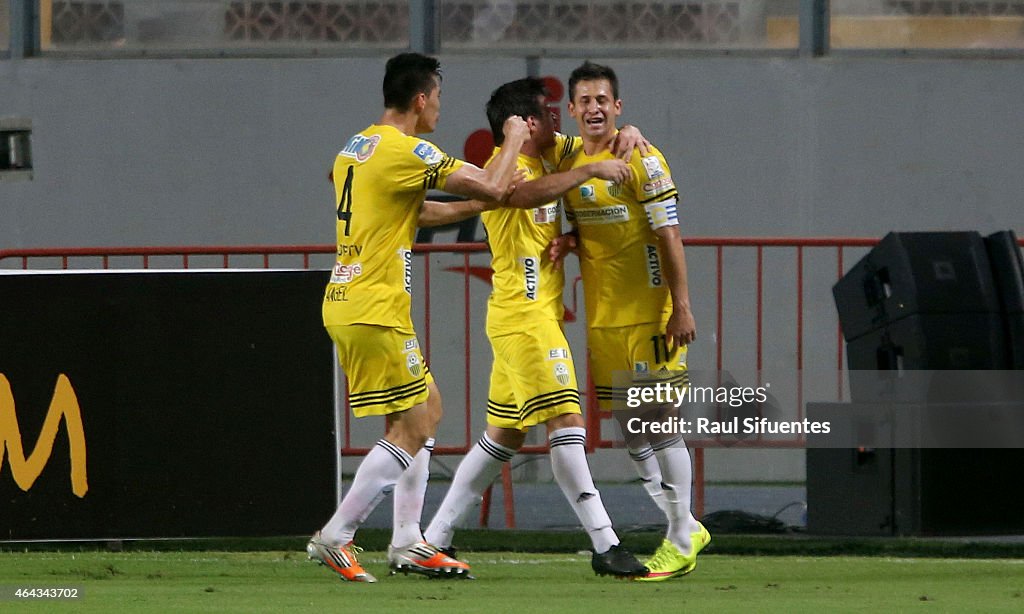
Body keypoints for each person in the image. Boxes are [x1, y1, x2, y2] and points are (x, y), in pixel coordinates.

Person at [307, 52, 530, 583]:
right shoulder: (408, 149)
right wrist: (515, 138)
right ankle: (337, 535)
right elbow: (496, 185)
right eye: (437, 99)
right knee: (420, 420)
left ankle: (408, 542)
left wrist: (479, 208)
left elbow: (418, 211)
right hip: (374, 305)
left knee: (421, 409)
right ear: (421, 98)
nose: (439, 111)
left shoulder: (354, 149)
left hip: (349, 301)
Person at [423, 77, 648, 578]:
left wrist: (629, 130)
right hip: (524, 319)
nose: (558, 119)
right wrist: (590, 169)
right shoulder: (503, 171)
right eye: (548, 113)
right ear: (524, 123)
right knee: (567, 422)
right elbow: (521, 196)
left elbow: (601, 136)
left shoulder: (551, 156)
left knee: (503, 436)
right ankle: (606, 544)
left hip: (529, 316)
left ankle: (432, 538)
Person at [552, 61, 710, 582]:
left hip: (650, 313)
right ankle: (683, 520)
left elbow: (669, 237)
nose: (594, 108)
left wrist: (681, 307)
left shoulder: (642, 157)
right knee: (630, 431)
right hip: (604, 317)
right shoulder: (572, 159)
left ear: (618, 108)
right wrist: (571, 240)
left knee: (659, 419)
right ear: (572, 109)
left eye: (604, 100)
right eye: (585, 101)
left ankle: (682, 536)